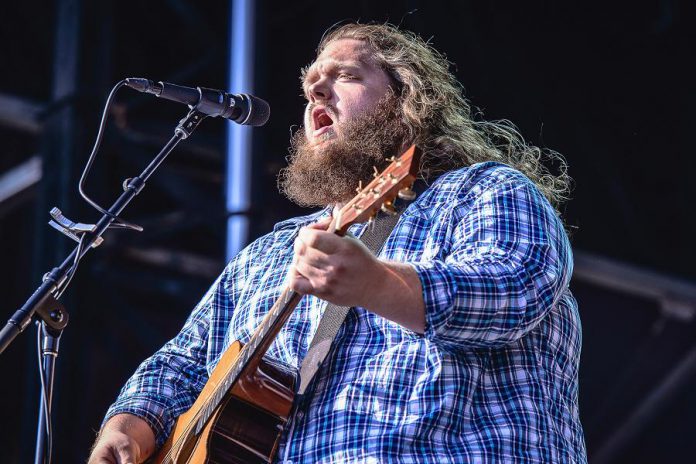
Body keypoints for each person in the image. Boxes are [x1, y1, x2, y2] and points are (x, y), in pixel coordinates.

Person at [89, 23, 586, 463]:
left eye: (345, 75)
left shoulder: (482, 190)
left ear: (408, 97)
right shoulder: (267, 254)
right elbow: (186, 360)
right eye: (308, 86)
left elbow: (514, 289)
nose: (316, 92)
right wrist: (129, 422)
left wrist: (376, 283)